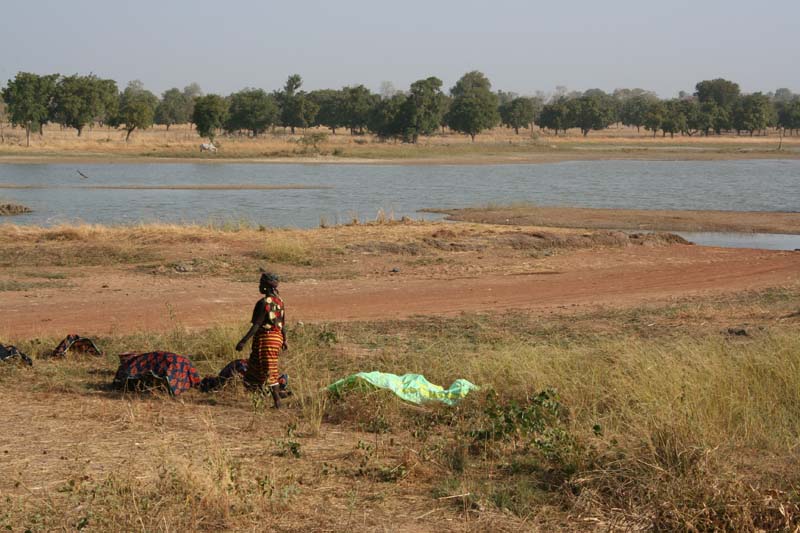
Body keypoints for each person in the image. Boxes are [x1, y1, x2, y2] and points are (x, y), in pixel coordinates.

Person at [236, 271, 287, 408]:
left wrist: (243, 341)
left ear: (267, 286)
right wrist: (284, 340)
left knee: (270, 371)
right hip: (277, 338)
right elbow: (282, 323)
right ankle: (260, 397)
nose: (259, 286)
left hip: (267, 339)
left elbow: (257, 325)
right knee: (253, 369)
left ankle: (277, 403)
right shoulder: (280, 302)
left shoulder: (263, 303)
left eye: (261, 283)